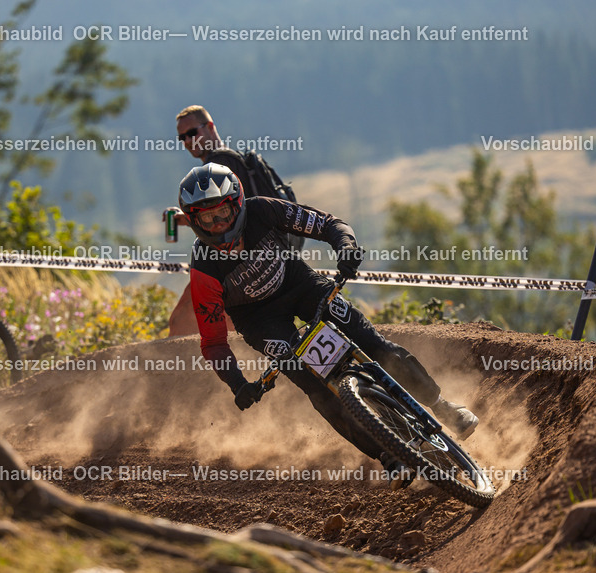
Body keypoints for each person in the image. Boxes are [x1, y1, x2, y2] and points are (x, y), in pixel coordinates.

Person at [177, 163, 478, 488]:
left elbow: (327, 223)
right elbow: (213, 343)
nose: (217, 225)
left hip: (300, 286)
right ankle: (388, 456)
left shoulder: (262, 210)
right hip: (261, 321)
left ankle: (440, 405)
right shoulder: (204, 269)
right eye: (206, 219)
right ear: (194, 222)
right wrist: (238, 384)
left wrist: (345, 246)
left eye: (221, 213)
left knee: (373, 344)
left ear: (237, 203)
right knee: (317, 387)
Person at [163, 105, 301, 336]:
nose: (187, 140)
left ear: (210, 127)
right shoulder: (236, 160)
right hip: (268, 260)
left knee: (182, 322)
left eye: (192, 133)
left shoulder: (218, 165)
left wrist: (185, 219)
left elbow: (224, 220)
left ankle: (185, 370)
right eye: (181, 137)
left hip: (238, 266)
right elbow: (236, 212)